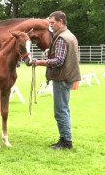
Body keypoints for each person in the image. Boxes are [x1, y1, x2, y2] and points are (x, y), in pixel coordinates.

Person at [32, 11, 81, 149]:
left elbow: (58, 61)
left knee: (60, 111)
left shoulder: (61, 38)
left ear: (61, 21)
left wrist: (40, 62)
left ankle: (66, 141)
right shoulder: (69, 35)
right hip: (67, 76)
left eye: (53, 22)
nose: (51, 25)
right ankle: (65, 138)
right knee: (64, 109)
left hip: (62, 77)